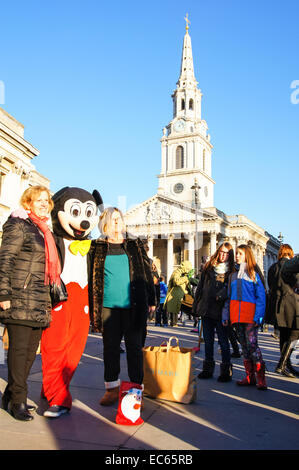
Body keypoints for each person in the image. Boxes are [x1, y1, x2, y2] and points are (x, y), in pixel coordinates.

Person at [0, 186, 59, 421]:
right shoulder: (18, 224)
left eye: (47, 200)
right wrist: (3, 294)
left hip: (38, 300)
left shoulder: (42, 229)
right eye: (39, 200)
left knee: (28, 356)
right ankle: (18, 401)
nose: (44, 203)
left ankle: (9, 396)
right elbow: (5, 260)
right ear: (28, 203)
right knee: (18, 352)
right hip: (19, 297)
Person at [90, 207, 156, 406]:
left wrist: (152, 300)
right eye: (112, 219)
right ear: (105, 224)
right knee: (110, 349)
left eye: (119, 219)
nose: (117, 223)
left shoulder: (134, 245)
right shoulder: (97, 247)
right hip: (107, 307)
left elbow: (146, 272)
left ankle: (136, 391)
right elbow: (89, 275)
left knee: (134, 349)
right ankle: (111, 389)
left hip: (133, 306)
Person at [222, 244, 267, 390]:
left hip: (250, 317)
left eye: (240, 253)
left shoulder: (253, 273)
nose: (237, 256)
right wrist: (226, 315)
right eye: (236, 254)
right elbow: (228, 298)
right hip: (236, 317)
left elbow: (261, 297)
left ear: (246, 255)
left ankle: (261, 378)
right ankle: (250, 376)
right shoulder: (232, 276)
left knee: (253, 347)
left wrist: (258, 317)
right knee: (245, 348)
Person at [193, 243, 235, 382]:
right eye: (222, 252)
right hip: (207, 308)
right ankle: (208, 369)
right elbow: (200, 287)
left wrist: (222, 294)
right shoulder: (209, 267)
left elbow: (232, 290)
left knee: (223, 342)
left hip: (222, 311)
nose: (223, 256)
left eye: (227, 253)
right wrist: (196, 305)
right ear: (218, 252)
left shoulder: (232, 271)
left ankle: (225, 370)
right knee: (208, 341)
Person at [267, 244, 299, 377]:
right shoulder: (291, 266)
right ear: (290, 253)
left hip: (277, 305)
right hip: (292, 303)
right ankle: (282, 364)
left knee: (284, 335)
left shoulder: (272, 267)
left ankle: (286, 365)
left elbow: (269, 284)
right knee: (295, 334)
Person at [164, 260, 193, 327]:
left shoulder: (183, 274)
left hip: (180, 295)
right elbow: (176, 281)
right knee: (174, 309)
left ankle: (176, 322)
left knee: (177, 308)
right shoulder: (177, 272)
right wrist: (186, 278)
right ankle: (173, 322)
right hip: (174, 295)